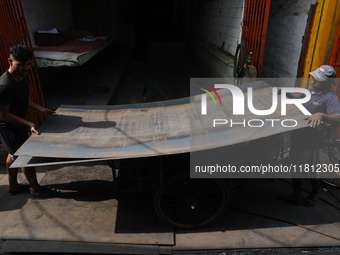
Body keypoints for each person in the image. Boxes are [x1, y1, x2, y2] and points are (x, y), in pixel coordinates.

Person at [0, 44, 59, 197]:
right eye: (21, 65)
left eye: (28, 64)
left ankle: (13, 186)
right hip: (6, 125)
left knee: (13, 154)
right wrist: (29, 123)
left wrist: (41, 109)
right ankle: (36, 189)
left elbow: (22, 99)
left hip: (17, 121)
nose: (26, 68)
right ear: (10, 62)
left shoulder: (22, 76)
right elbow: (3, 114)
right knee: (25, 156)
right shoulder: (5, 86)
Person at [277, 65, 340, 207]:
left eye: (318, 80)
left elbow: (337, 118)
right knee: (296, 168)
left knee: (313, 172)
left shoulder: (330, 98)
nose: (313, 82)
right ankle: (296, 196)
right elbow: (297, 96)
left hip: (312, 143)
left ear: (328, 83)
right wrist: (285, 92)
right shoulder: (310, 90)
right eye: (313, 78)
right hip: (299, 138)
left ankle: (315, 193)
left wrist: (322, 115)